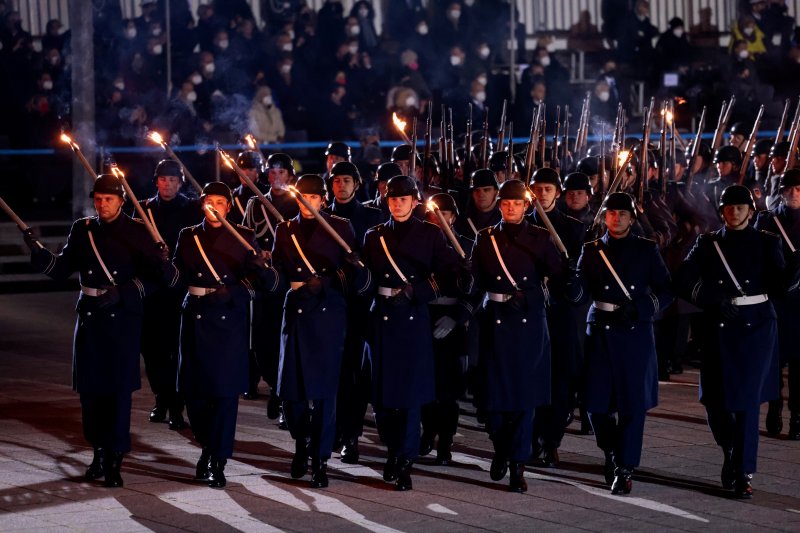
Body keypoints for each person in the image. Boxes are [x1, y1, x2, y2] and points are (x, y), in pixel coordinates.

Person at [25, 174, 165, 488]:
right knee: (90, 394)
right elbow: (61, 270)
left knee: (116, 395)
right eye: (98, 199)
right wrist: (37, 251)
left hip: (121, 321)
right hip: (90, 320)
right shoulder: (82, 229)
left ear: (121, 201)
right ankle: (98, 453)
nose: (102, 205)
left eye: (109, 199)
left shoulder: (138, 232)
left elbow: (156, 280)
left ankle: (115, 459)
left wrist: (125, 292)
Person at [676, 185, 799, 498]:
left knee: (746, 403)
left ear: (751, 210)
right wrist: (714, 299)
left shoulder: (767, 242)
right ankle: (731, 449)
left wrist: (796, 268)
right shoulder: (708, 243)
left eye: (740, 207)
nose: (734, 212)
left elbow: (779, 286)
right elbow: (683, 280)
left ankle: (744, 470)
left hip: (757, 327)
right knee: (713, 400)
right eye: (728, 208)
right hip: (721, 325)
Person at [361, 175, 468, 491]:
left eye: (403, 199)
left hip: (412, 319)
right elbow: (365, 281)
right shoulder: (373, 236)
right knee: (383, 398)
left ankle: (404, 459)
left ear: (414, 202)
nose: (397, 204)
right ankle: (392, 449)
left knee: (408, 397)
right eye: (393, 199)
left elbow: (448, 274)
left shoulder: (430, 234)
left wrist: (420, 290)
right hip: (382, 320)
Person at [172, 182, 276, 488]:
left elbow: (262, 283)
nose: (214, 206)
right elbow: (175, 277)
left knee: (224, 395)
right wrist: (162, 262)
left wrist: (236, 289)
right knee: (195, 394)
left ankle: (218, 459)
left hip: (228, 321)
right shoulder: (188, 236)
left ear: (229, 206)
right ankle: (207, 445)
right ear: (202, 204)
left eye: (221, 201)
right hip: (195, 317)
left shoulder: (243, 237)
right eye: (209, 201)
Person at [470, 179, 569, 492]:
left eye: (516, 203)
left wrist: (530, 298)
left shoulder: (539, 238)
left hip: (528, 324)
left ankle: (517, 465)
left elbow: (558, 279)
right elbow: (475, 281)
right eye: (505, 203)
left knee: (524, 401)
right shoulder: (485, 239)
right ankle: (501, 447)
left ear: (527, 206)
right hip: (496, 323)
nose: (510, 207)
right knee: (496, 401)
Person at [572, 192, 673, 495]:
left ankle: (624, 468)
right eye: (612, 214)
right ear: (605, 217)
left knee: (631, 406)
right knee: (595, 405)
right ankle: (615, 451)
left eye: (623, 214)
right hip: (601, 330)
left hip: (633, 332)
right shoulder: (591, 250)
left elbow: (666, 290)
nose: (617, 219)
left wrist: (643, 308)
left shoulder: (645, 250)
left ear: (631, 218)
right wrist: (570, 281)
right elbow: (580, 292)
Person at [272, 174, 368, 487]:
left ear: (322, 200)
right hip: (297, 312)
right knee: (292, 391)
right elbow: (278, 270)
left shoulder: (340, 227)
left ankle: (320, 459)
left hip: (328, 314)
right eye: (302, 197)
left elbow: (350, 274)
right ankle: (303, 442)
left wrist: (327, 281)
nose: (307, 202)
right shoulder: (285, 229)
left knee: (325, 393)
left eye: (313, 197)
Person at [527, 168, 587, 466]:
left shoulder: (574, 229)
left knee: (561, 383)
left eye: (548, 189)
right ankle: (532, 437)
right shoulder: (522, 227)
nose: (542, 194)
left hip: (561, 316)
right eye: (537, 189)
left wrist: (574, 281)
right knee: (532, 378)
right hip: (530, 314)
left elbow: (583, 277)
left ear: (557, 193)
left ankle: (551, 440)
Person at [323, 161, 382, 463]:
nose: (341, 186)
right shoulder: (320, 218)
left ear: (357, 184)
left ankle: (351, 436)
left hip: (359, 307)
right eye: (336, 181)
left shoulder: (372, 217)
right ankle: (328, 431)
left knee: (354, 376)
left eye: (347, 180)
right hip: (327, 305)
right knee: (329, 373)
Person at [138, 160, 202, 430]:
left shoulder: (190, 209)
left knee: (176, 350)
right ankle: (161, 399)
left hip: (178, 288)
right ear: (157, 181)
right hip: (151, 290)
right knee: (152, 350)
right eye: (163, 179)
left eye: (173, 180)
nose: (168, 184)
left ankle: (177, 406)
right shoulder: (143, 208)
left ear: (181, 183)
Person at [419, 192, 474, 465]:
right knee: (426, 383)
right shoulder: (420, 243)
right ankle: (427, 432)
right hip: (425, 314)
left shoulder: (467, 245)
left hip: (454, 320)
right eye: (433, 215)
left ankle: (446, 441)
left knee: (449, 390)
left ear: (453, 217)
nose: (438, 219)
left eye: (445, 214)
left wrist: (457, 315)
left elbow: (476, 291)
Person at [754, 169, 800, 440]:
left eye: (798, 189)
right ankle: (775, 406)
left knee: (799, 364)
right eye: (789, 189)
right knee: (774, 361)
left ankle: (796, 416)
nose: (794, 194)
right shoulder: (768, 220)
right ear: (781, 191)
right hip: (776, 299)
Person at [454, 169, 501, 240]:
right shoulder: (461, 222)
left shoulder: (504, 219)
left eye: (486, 190)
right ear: (472, 193)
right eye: (477, 190)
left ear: (496, 192)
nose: (481, 194)